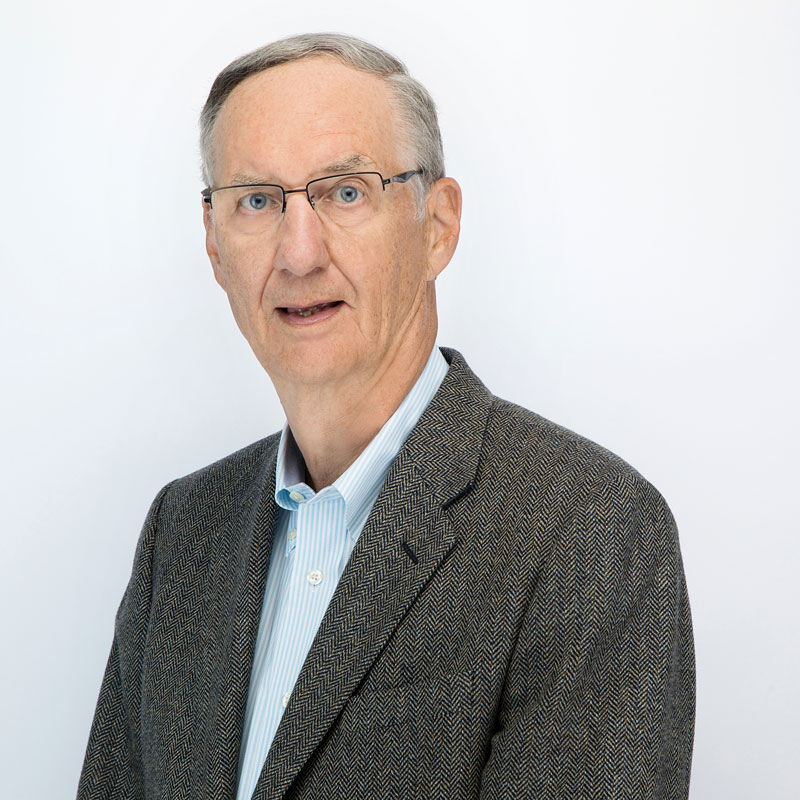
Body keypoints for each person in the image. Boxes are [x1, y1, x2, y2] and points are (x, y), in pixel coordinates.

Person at [77, 32, 695, 800]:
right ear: (213, 242)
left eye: (346, 192)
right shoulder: (182, 531)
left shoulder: (589, 528)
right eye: (257, 201)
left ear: (437, 226)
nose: (299, 254)